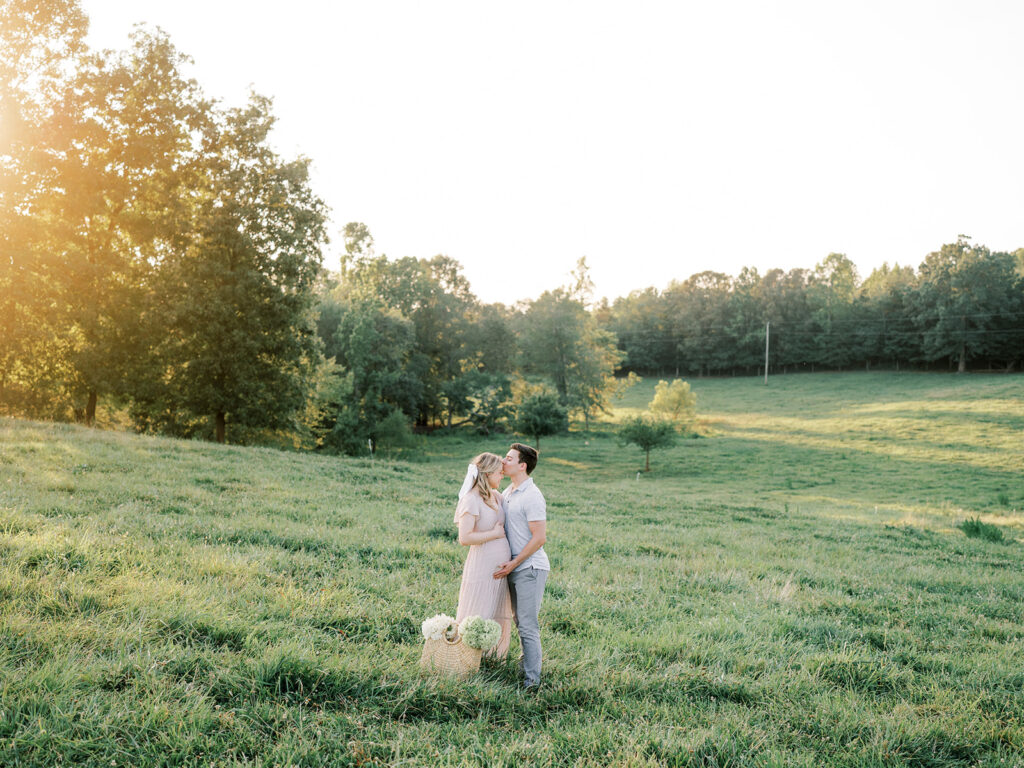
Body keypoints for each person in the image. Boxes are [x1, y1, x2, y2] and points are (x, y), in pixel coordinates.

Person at [493, 443, 549, 690]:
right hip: (514, 566)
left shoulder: (532, 495)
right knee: (518, 620)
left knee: (527, 624)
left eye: (508, 458)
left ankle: (532, 682)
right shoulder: (508, 491)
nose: (503, 462)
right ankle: (526, 666)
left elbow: (539, 538)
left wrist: (515, 562)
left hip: (530, 567)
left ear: (522, 465)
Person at [454, 452, 512, 658]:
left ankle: (493, 657)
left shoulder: (496, 496)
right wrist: (494, 534)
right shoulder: (471, 500)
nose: (502, 476)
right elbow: (465, 537)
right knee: (480, 608)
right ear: (486, 474)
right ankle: (466, 656)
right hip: (482, 564)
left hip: (501, 567)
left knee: (496, 610)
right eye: (499, 473)